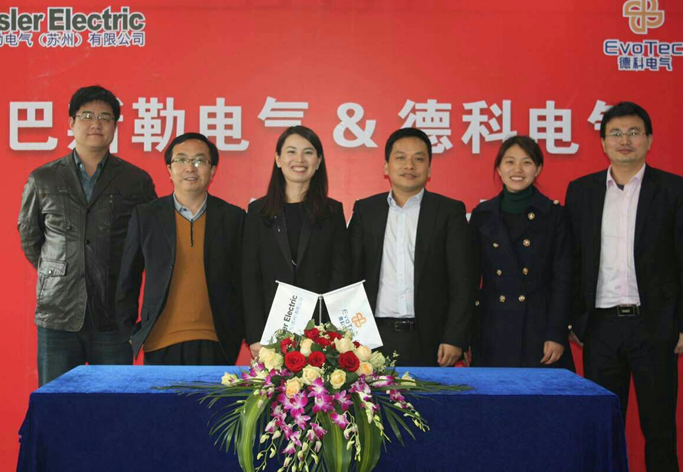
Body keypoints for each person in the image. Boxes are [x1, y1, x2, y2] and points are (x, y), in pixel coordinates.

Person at [566, 102, 683, 472]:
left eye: (634, 132)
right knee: (602, 426)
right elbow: (572, 259)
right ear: (603, 143)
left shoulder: (673, 189)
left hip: (655, 325)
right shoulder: (582, 191)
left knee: (660, 428)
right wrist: (576, 319)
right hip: (601, 327)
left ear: (649, 139)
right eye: (615, 133)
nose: (625, 140)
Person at [18, 85, 156, 385]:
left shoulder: (136, 181)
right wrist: (62, 268)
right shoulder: (43, 178)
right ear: (71, 122)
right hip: (58, 310)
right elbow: (30, 236)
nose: (96, 124)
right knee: (57, 401)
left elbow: (148, 241)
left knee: (114, 402)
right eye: (87, 116)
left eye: (105, 117)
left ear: (115, 126)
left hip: (114, 312)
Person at [115, 133, 245, 365]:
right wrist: (127, 332)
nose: (190, 168)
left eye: (199, 160)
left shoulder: (233, 217)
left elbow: (245, 281)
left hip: (216, 341)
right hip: (160, 341)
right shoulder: (146, 216)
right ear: (169, 169)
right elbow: (128, 279)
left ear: (212, 170)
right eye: (182, 160)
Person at [348, 127, 474, 366]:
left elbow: (462, 281)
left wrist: (454, 336)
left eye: (418, 159)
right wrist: (351, 336)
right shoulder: (366, 211)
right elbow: (351, 275)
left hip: (431, 339)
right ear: (386, 167)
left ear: (429, 169)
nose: (409, 165)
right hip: (373, 338)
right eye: (400, 158)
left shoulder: (448, 212)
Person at [243, 125, 350, 358]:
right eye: (291, 152)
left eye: (308, 152)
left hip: (320, 332)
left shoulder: (332, 212)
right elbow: (250, 278)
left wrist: (333, 333)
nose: (299, 159)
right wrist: (256, 335)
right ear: (278, 159)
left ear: (318, 161)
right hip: (271, 333)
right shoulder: (258, 212)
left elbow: (339, 275)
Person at [469, 135, 574, 370]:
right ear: (499, 168)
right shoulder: (483, 215)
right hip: (492, 328)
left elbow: (563, 279)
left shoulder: (554, 215)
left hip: (538, 330)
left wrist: (556, 332)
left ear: (538, 169)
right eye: (510, 162)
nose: (517, 170)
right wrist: (466, 334)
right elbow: (470, 279)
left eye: (526, 162)